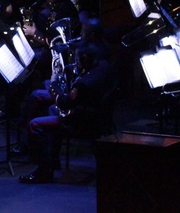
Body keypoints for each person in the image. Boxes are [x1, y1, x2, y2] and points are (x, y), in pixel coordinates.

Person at [20, 43, 116, 184]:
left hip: (82, 123)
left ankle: (43, 171)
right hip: (98, 118)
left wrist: (54, 83)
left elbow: (64, 102)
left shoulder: (82, 85)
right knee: (52, 110)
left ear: (84, 57)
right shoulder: (103, 67)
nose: (76, 63)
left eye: (77, 59)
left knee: (34, 124)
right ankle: (52, 160)